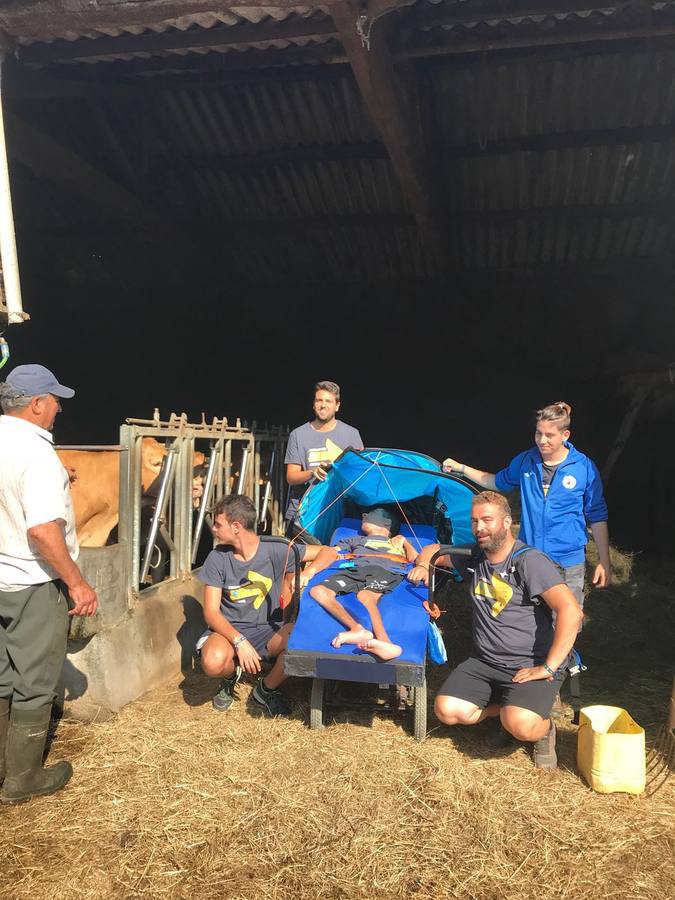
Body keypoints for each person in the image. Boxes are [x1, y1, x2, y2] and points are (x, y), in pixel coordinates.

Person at [409, 491, 583, 769]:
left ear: (506, 522)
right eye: (474, 521)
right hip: (486, 661)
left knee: (522, 726)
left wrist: (548, 668)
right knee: (447, 711)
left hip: (530, 662)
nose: (479, 528)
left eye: (487, 520)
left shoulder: (529, 561)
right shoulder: (475, 556)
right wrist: (422, 567)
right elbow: (433, 552)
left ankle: (543, 728)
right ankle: (505, 710)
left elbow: (571, 612)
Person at [0, 364, 98, 804]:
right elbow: (42, 530)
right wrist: (77, 584)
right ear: (37, 404)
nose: (59, 408)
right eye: (55, 400)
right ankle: (23, 780)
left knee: (2, 675)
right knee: (36, 680)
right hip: (33, 582)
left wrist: (58, 479)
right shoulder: (36, 455)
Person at [442, 401, 610, 609]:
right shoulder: (526, 462)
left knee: (567, 617)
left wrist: (604, 561)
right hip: (529, 555)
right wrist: (462, 468)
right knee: (527, 616)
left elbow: (597, 515)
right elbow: (495, 482)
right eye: (539, 433)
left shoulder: (584, 468)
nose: (542, 440)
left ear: (565, 436)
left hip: (567, 561)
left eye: (549, 435)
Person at [197, 494, 332, 715]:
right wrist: (239, 641)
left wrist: (309, 572)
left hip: (270, 630)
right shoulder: (217, 558)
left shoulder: (276, 548)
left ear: (237, 526)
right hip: (231, 629)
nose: (213, 529)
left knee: (301, 639)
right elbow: (211, 613)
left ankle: (265, 690)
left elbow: (329, 552)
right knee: (212, 662)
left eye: (217, 524)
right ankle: (230, 677)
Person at [307, 508, 418, 661]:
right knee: (318, 591)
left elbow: (414, 558)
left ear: (387, 523)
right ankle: (357, 629)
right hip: (356, 569)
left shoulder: (397, 541)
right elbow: (331, 552)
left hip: (386, 569)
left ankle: (386, 643)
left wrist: (405, 541)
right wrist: (310, 571)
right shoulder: (355, 540)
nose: (363, 516)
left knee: (366, 596)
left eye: (370, 514)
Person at [284, 380, 363, 535]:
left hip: (342, 512)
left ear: (337, 406)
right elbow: (291, 477)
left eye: (328, 401)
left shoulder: (351, 434)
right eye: (319, 400)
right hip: (304, 513)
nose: (323, 405)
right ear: (313, 404)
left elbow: (360, 475)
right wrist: (312, 472)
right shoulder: (298, 435)